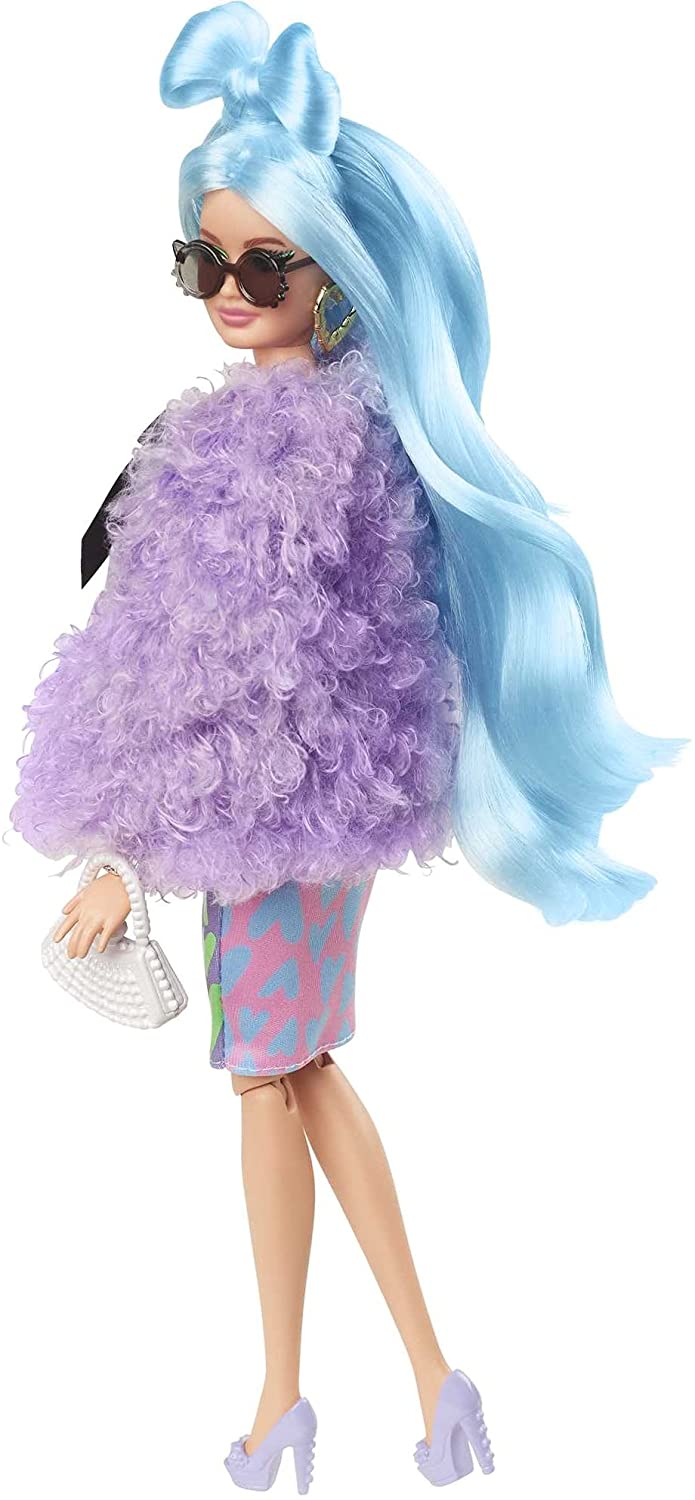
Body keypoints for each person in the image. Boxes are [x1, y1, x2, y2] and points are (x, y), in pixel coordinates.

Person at [10, 2, 683, 1490]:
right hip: (300, 814)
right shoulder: (262, 434)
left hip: (280, 814)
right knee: (292, 1070)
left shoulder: (304, 450)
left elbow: (237, 681)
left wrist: (126, 849)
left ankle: (308, 1398)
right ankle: (397, 1390)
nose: (229, 293)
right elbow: (174, 660)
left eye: (266, 266)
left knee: (273, 1075)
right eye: (204, 262)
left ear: (339, 277)